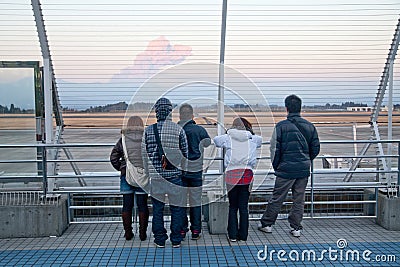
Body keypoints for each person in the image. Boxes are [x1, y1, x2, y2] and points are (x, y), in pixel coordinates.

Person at [258, 94, 320, 237]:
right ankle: (296, 227)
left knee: (277, 197)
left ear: (286, 108)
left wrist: (277, 166)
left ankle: (267, 224)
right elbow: (315, 148)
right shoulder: (310, 126)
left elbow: (274, 149)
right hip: (303, 169)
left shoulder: (280, 126)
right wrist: (306, 160)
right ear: (300, 108)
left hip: (285, 169)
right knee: (299, 199)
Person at [141, 97, 188, 248]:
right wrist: (180, 168)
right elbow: (185, 153)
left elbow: (144, 153)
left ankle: (160, 239)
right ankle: (176, 239)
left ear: (156, 112)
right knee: (177, 209)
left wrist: (149, 172)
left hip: (156, 178)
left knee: (158, 210)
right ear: (170, 112)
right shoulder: (178, 129)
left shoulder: (149, 130)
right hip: (174, 177)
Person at [214, 117, 262, 242]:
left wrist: (227, 132)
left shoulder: (228, 137)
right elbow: (260, 141)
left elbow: (216, 141)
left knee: (233, 206)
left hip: (231, 174)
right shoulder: (252, 138)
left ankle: (233, 235)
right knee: (243, 207)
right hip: (247, 174)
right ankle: (243, 235)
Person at [110, 116, 149, 241]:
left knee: (127, 206)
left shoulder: (123, 139)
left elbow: (113, 157)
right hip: (142, 175)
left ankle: (128, 233)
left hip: (126, 175)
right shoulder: (146, 139)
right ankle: (142, 233)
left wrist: (122, 168)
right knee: (143, 205)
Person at [178, 103, 211, 240]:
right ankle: (196, 230)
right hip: (196, 171)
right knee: (195, 202)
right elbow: (208, 143)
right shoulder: (199, 130)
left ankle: (182, 230)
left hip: (180, 171)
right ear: (192, 115)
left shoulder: (176, 129)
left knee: (180, 202)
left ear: (180, 115)